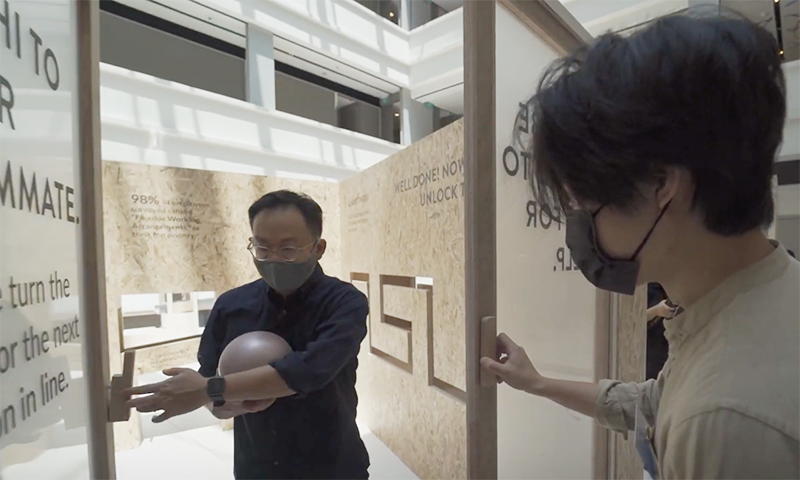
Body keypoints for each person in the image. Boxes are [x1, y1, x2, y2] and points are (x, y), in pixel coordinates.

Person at [481, 11, 800, 480]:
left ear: (662, 184)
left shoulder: (721, 424)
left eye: (584, 205)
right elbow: (655, 401)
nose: (579, 228)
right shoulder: (758, 293)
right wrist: (538, 383)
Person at [126, 190, 370, 480]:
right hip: (256, 467)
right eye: (262, 249)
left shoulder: (345, 302)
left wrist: (210, 390)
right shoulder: (231, 305)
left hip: (334, 467)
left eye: (288, 250)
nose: (274, 260)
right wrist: (220, 403)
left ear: (318, 248)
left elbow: (311, 370)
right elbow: (210, 378)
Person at [645, 283, 674, 381]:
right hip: (651, 351)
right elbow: (634, 320)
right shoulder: (652, 289)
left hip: (668, 351)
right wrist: (656, 311)